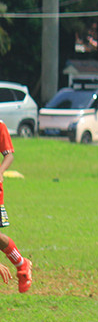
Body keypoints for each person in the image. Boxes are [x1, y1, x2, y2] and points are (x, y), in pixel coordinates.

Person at [0, 120, 32, 292]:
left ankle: (22, 265)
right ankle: (22, 264)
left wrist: (0, 171)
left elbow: (9, 154)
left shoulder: (0, 125)